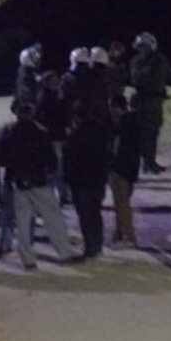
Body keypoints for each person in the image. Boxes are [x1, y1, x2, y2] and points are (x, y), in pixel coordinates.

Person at [0, 101, 78, 270]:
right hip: (38, 180)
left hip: (18, 182)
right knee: (53, 217)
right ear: (32, 114)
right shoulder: (40, 132)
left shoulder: (10, 133)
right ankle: (63, 253)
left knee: (23, 222)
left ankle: (27, 260)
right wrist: (50, 170)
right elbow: (50, 157)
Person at [129, 32, 171, 174]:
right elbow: (136, 80)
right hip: (143, 101)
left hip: (156, 102)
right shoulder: (137, 61)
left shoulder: (160, 60)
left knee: (153, 132)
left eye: (144, 46)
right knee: (144, 134)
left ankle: (150, 162)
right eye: (141, 47)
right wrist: (151, 66)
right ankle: (147, 163)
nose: (142, 49)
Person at [62, 103, 110, 259]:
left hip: (80, 181)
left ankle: (90, 247)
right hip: (98, 179)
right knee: (96, 212)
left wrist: (68, 179)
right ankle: (98, 244)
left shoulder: (75, 136)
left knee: (85, 215)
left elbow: (69, 160)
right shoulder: (102, 131)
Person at [108, 94, 142, 248]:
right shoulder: (135, 123)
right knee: (122, 202)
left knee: (121, 204)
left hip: (120, 169)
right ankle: (119, 232)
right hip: (131, 168)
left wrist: (111, 163)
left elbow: (116, 148)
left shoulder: (121, 126)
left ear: (116, 107)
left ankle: (128, 236)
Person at [35, 70, 71, 205]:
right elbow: (51, 117)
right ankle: (58, 195)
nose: (57, 83)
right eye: (54, 81)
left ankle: (62, 194)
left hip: (58, 136)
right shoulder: (46, 98)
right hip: (53, 137)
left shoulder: (52, 95)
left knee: (59, 166)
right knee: (56, 167)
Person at [13, 43, 42, 112]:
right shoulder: (25, 74)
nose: (39, 60)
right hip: (30, 109)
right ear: (28, 59)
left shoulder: (32, 71)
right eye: (35, 58)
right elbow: (26, 94)